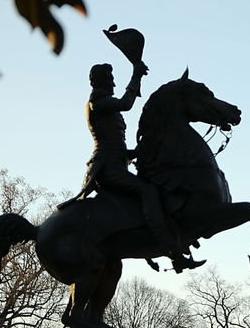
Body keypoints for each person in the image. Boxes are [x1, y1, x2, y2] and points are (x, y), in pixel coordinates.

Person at [61, 61, 203, 273]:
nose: (114, 83)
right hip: (107, 169)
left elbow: (117, 145)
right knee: (148, 190)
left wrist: (142, 150)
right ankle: (166, 244)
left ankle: (171, 248)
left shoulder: (104, 103)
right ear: (101, 81)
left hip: (118, 163)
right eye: (110, 79)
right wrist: (136, 75)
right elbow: (126, 103)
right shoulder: (97, 101)